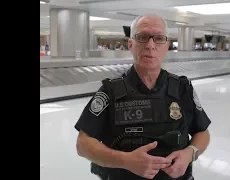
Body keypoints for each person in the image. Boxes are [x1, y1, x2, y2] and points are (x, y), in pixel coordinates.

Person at [74, 14, 211, 180]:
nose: (150, 45)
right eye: (142, 37)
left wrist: (190, 153)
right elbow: (83, 144)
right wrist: (125, 161)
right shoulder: (111, 91)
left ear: (167, 46)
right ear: (131, 44)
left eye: (159, 38)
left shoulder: (182, 89)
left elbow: (202, 133)